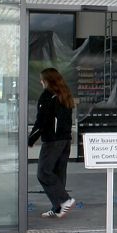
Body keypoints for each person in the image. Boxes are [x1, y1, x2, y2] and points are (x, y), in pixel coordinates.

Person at [28, 68, 76, 218]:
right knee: (58, 173)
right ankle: (58, 208)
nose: (40, 82)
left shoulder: (48, 96)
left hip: (53, 141)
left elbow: (42, 121)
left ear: (47, 80)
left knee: (44, 172)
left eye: (42, 79)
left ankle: (64, 200)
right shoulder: (65, 95)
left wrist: (30, 139)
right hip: (65, 140)